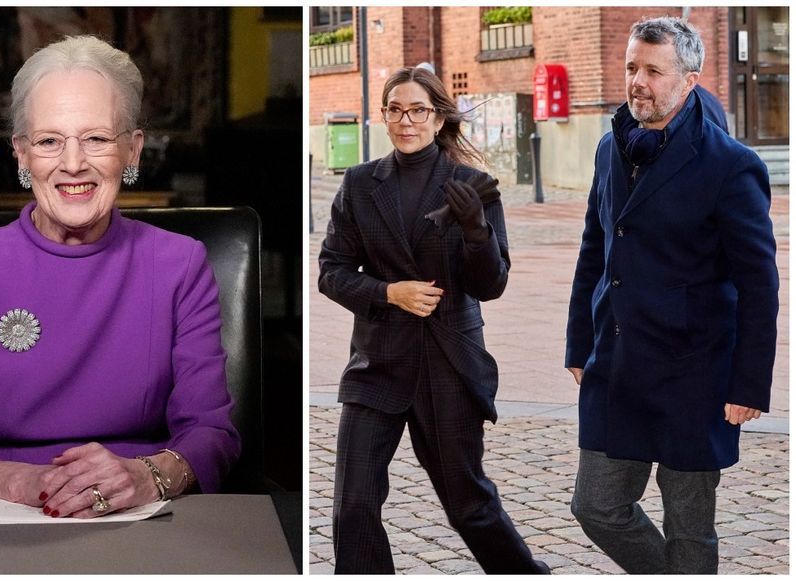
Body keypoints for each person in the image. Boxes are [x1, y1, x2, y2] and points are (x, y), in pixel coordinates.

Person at [0, 35, 240, 518]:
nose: (73, 163)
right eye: (49, 141)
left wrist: (148, 475)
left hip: (143, 516)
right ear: (21, 154)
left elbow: (213, 435)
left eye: (97, 138)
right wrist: (25, 482)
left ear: (132, 151)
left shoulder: (180, 264)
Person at [565, 17, 778, 573]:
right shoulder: (610, 149)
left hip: (696, 373)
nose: (638, 81)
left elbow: (759, 284)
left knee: (689, 528)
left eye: (654, 71)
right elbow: (595, 248)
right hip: (617, 364)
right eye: (632, 67)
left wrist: (748, 382)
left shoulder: (732, 166)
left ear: (689, 80)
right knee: (596, 507)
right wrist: (578, 345)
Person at [319, 66, 548, 574]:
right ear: (383, 115)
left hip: (447, 365)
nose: (406, 121)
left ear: (439, 116)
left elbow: (491, 284)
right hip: (377, 364)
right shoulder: (359, 185)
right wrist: (388, 292)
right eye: (395, 109)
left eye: (417, 109)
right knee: (352, 505)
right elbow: (331, 273)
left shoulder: (472, 185)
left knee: (468, 504)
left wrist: (475, 233)